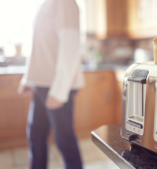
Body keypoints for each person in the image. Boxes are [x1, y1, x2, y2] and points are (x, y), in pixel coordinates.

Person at [18, 0, 84, 168]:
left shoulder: (65, 3)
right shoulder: (44, 5)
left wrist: (60, 91)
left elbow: (70, 47)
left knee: (64, 141)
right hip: (41, 84)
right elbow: (39, 45)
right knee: (36, 136)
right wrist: (30, 79)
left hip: (56, 87)